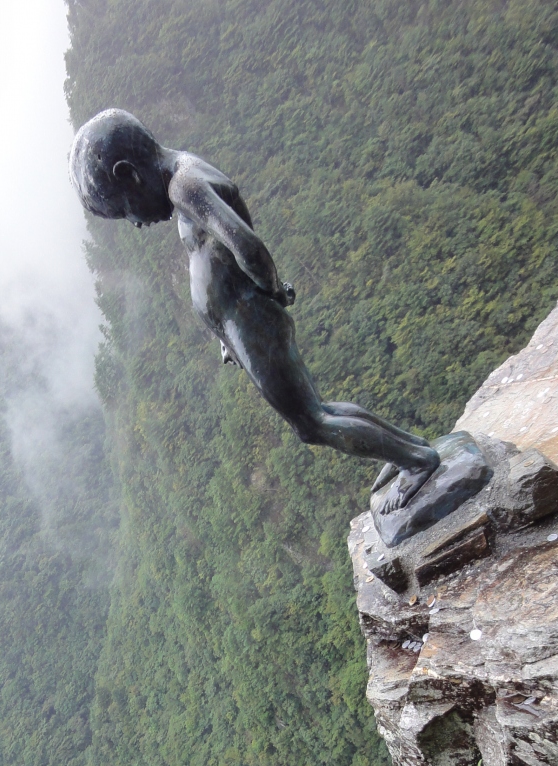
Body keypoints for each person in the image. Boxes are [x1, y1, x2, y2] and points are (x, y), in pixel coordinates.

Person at [69, 109, 439, 501]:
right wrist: (225, 335)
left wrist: (274, 290)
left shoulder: (184, 186)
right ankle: (404, 450)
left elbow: (246, 245)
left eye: (126, 210)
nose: (136, 222)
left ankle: (416, 460)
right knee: (319, 408)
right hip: (241, 325)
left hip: (252, 320)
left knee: (310, 423)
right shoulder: (182, 176)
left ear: (129, 174)